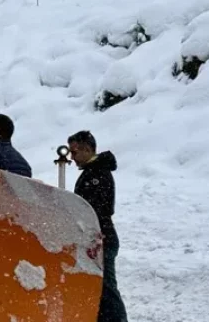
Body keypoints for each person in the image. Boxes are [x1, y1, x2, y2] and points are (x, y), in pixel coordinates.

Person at [67, 130, 127, 322]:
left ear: (86, 149)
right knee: (100, 287)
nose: (71, 158)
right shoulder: (94, 172)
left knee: (106, 288)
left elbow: (96, 208)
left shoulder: (98, 174)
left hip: (102, 237)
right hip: (98, 237)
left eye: (74, 152)